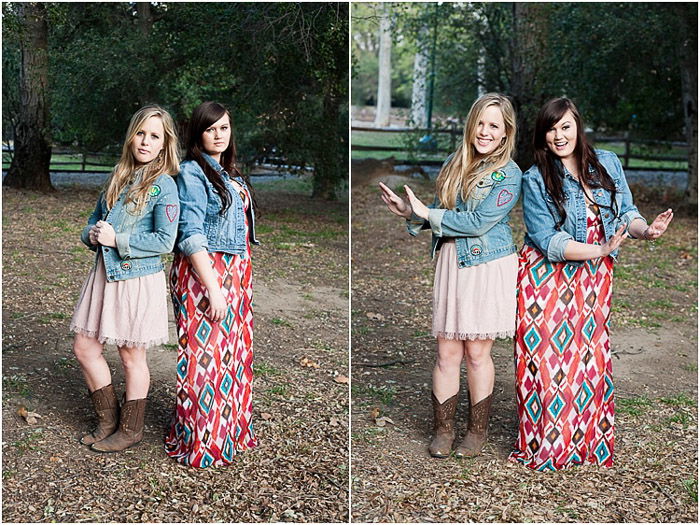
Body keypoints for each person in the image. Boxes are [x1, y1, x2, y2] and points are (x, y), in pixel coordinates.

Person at [509, 97, 673, 471]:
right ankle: (547, 446)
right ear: (543, 135)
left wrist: (646, 231)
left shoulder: (608, 163)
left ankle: (584, 444)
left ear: (577, 126)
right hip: (546, 278)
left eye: (565, 126)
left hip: (595, 276)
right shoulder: (535, 178)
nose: (559, 135)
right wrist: (599, 248)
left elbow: (626, 213)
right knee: (547, 361)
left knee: (588, 359)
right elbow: (546, 239)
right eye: (551, 129)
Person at [379, 93, 522, 458]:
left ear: (506, 133)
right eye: (481, 122)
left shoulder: (509, 174)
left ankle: (477, 431)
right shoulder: (454, 163)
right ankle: (443, 429)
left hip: (487, 265)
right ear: (470, 124)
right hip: (451, 262)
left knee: (476, 351)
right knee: (446, 351)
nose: (486, 131)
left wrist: (427, 213)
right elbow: (442, 214)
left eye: (495, 126)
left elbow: (477, 223)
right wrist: (410, 213)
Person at [71, 105, 180, 452]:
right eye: (141, 133)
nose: (146, 141)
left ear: (165, 144)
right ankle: (109, 420)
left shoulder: (163, 186)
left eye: (155, 136)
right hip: (104, 275)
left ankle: (130, 430)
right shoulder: (118, 176)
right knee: (85, 347)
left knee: (132, 355)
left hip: (135, 278)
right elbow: (92, 221)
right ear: (131, 135)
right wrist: (91, 234)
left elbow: (165, 241)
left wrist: (116, 240)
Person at [165, 101, 259, 468]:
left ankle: (230, 432)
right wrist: (214, 287)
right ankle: (204, 441)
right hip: (206, 274)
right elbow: (190, 234)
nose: (219, 134)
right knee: (204, 360)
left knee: (231, 357)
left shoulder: (229, 172)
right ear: (198, 134)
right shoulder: (192, 172)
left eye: (224, 127)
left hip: (237, 274)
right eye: (211, 129)